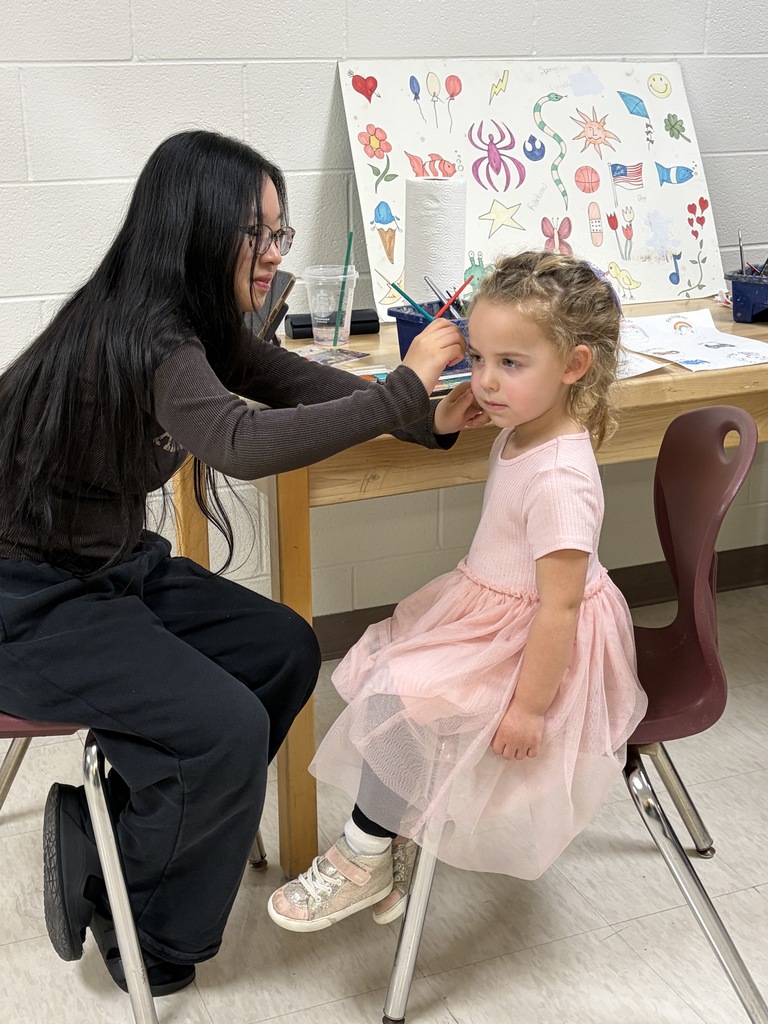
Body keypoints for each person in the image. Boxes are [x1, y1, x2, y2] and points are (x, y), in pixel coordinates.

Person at [0, 129, 487, 994]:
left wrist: (427, 418)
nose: (271, 255)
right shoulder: (147, 336)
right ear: (194, 231)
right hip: (25, 601)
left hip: (106, 566)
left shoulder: (199, 325)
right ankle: (148, 934)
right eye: (256, 235)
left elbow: (305, 385)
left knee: (283, 647)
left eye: (278, 233)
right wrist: (404, 390)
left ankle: (113, 830)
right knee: (222, 728)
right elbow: (241, 441)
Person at [268, 250, 649, 933]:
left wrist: (530, 710)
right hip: (498, 615)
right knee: (392, 674)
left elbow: (559, 606)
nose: (487, 381)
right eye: (478, 358)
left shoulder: (560, 479)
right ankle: (393, 837)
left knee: (395, 695)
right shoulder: (526, 430)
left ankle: (364, 852)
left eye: (511, 364)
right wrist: (449, 411)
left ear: (574, 367)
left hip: (536, 645)